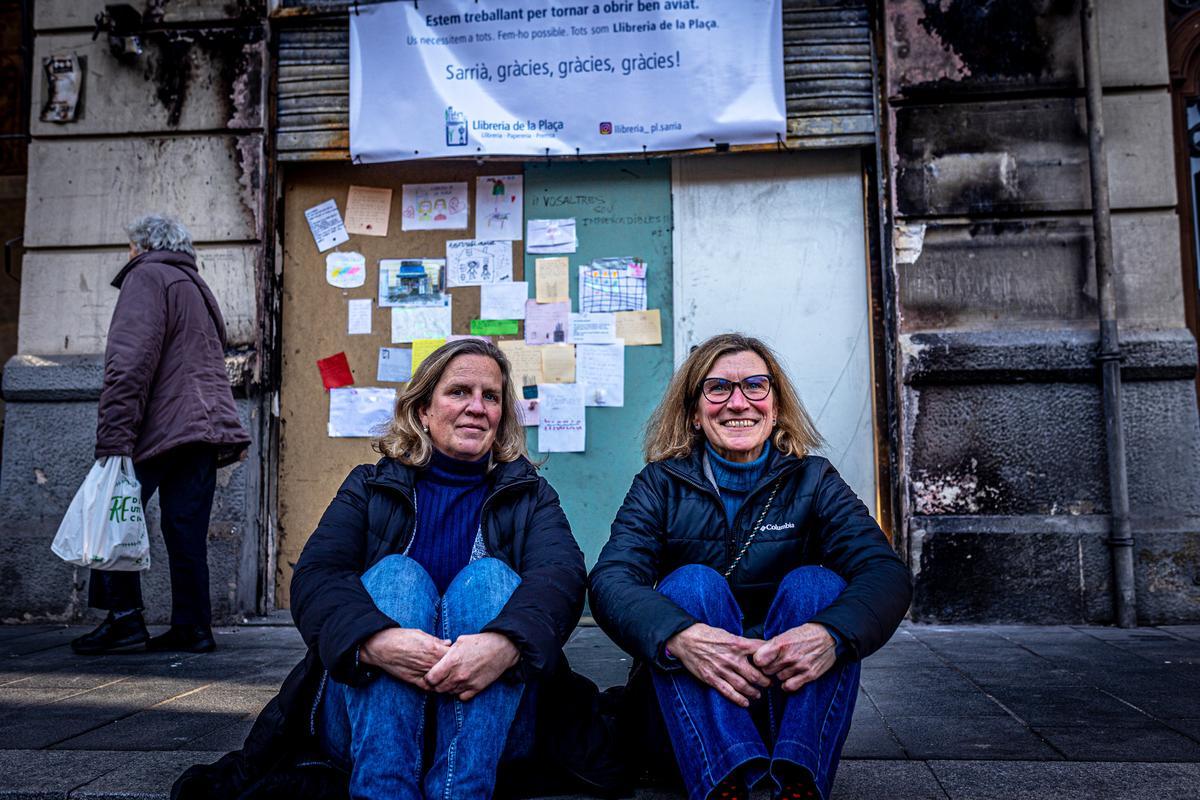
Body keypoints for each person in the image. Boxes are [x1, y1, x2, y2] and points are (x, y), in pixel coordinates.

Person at [173, 339, 610, 799]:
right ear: (423, 410)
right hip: (366, 720)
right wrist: (374, 641)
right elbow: (317, 577)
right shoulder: (370, 486)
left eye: (491, 396)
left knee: (491, 580)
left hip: (492, 728)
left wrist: (505, 644)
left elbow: (560, 579)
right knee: (394, 576)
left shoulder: (530, 495)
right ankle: (385, 790)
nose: (477, 408)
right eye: (459, 392)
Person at [589, 333, 912, 800]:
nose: (737, 402)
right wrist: (679, 636)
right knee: (691, 583)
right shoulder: (660, 484)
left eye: (755, 386)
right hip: (692, 707)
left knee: (816, 586)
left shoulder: (813, 479)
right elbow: (610, 581)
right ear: (694, 412)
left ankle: (798, 780)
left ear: (776, 406)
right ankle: (727, 779)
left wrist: (832, 634)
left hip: (790, 700)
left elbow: (885, 573)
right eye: (717, 388)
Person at [71, 214, 249, 656]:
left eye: (130, 247)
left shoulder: (147, 275)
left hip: (161, 425)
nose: (128, 254)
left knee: (113, 515)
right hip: (203, 429)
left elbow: (129, 362)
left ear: (142, 246)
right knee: (185, 529)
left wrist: (114, 436)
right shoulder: (195, 286)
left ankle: (125, 620)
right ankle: (192, 626)